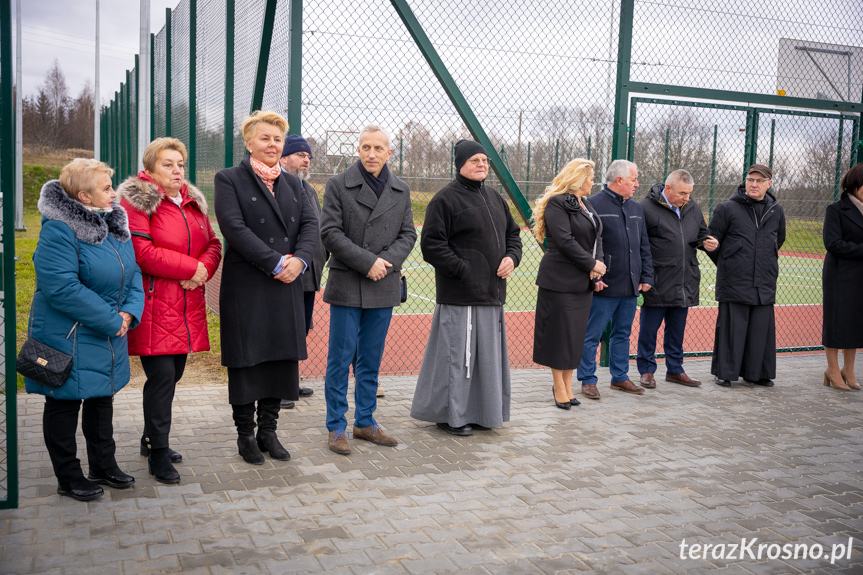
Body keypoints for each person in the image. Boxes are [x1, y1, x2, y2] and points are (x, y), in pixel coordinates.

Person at [24, 159, 144, 501]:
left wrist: (129, 313)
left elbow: (133, 274)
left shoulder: (114, 223)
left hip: (108, 333)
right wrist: (112, 320)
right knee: (64, 404)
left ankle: (103, 465)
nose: (113, 192)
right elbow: (60, 287)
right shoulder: (59, 229)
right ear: (84, 197)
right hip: (70, 335)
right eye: (106, 187)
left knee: (100, 399)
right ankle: (69, 476)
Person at [214, 111, 319, 464]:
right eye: (265, 138)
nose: (272, 144)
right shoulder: (229, 179)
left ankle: (268, 432)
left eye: (277, 139)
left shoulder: (296, 184)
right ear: (249, 143)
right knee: (247, 361)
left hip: (287, 283)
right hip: (249, 286)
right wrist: (276, 262)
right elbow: (234, 228)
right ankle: (245, 434)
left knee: (278, 360)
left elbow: (309, 226)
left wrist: (299, 262)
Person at [118, 138, 222, 484]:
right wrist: (191, 269)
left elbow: (213, 243)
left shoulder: (192, 202)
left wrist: (203, 269)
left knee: (173, 375)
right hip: (154, 302)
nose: (177, 170)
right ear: (148, 170)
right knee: (162, 378)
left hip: (187, 302)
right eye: (167, 164)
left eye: (180, 164)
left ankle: (151, 438)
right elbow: (141, 252)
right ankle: (158, 452)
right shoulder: (139, 203)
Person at [411, 140, 523, 435]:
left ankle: (481, 414)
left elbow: (514, 235)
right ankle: (450, 416)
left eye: (485, 161)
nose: (482, 165)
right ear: (460, 163)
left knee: (485, 362)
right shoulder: (444, 200)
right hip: (460, 296)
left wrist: (512, 258)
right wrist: (463, 270)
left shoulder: (495, 198)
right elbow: (431, 246)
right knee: (458, 360)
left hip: (492, 295)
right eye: (475, 160)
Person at [320, 125, 416, 455]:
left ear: (390, 153)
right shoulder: (337, 185)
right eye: (365, 147)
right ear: (357, 151)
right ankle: (336, 426)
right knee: (340, 359)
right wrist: (367, 262)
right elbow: (330, 233)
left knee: (370, 361)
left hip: (383, 284)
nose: (371, 153)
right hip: (348, 283)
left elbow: (408, 235)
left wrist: (384, 263)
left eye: (378, 148)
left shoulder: (401, 190)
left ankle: (364, 422)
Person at [577, 160, 654, 399]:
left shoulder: (636, 208)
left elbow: (644, 245)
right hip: (604, 285)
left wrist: (646, 275)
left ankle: (620, 377)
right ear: (619, 180)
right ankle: (588, 379)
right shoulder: (592, 204)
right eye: (633, 180)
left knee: (622, 333)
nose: (637, 185)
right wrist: (593, 279)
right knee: (592, 334)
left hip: (631, 285)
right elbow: (585, 247)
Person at [531, 158, 604, 410]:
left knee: (574, 337)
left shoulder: (586, 204)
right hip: (560, 281)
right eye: (591, 177)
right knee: (560, 336)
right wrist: (591, 264)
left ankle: (568, 385)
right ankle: (558, 387)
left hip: (582, 282)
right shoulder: (557, 203)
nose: (593, 182)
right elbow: (564, 240)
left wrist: (598, 264)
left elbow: (597, 238)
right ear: (578, 179)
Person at [636, 170, 718, 389]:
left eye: (689, 193)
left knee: (677, 331)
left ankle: (675, 370)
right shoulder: (645, 208)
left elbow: (702, 233)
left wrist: (708, 242)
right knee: (648, 330)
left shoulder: (692, 208)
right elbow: (639, 245)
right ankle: (646, 371)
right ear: (668, 188)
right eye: (683, 193)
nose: (687, 198)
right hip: (658, 279)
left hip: (685, 280)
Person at [708, 164, 786, 387]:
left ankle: (757, 373)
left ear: (769, 184)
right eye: (750, 179)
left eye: (759, 181)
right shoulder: (727, 208)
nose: (753, 184)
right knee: (733, 331)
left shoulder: (776, 211)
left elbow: (778, 240)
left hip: (764, 281)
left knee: (760, 332)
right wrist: (729, 263)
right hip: (735, 281)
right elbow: (712, 243)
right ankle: (725, 372)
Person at [278, 135, 328, 407]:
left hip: (310, 273)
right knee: (287, 328)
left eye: (308, 155)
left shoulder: (307, 188)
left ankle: (290, 382)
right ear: (284, 158)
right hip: (290, 271)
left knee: (300, 329)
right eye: (300, 154)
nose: (306, 159)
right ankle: (280, 387)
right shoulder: (278, 184)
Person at [821, 164, 863, 391]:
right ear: (854, 184)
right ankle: (832, 370)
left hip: (860, 277)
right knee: (837, 323)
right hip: (840, 276)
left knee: (855, 324)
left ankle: (849, 369)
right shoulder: (836, 209)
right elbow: (833, 243)